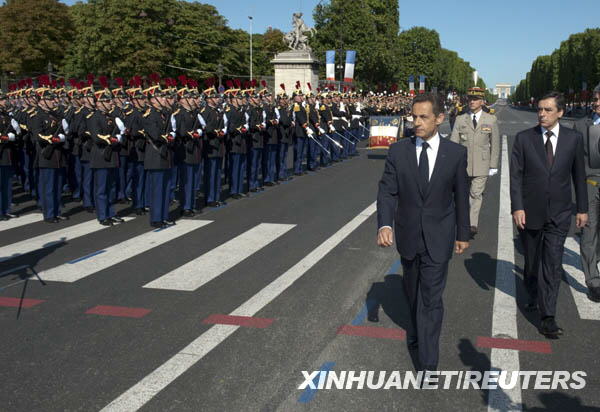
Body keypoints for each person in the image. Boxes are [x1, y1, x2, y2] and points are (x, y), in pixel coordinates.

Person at [377, 93, 470, 372]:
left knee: (431, 299)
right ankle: (417, 331)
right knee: (413, 293)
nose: (416, 122)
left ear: (439, 119)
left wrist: (462, 233)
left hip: (439, 238)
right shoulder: (398, 151)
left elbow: (461, 197)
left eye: (423, 117)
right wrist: (384, 224)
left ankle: (429, 364)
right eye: (413, 116)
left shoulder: (455, 154)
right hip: (408, 237)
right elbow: (387, 191)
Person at [510, 91, 588, 338]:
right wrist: (517, 207)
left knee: (552, 264)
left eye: (547, 110)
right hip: (530, 212)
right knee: (532, 263)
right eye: (539, 109)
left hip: (560, 212)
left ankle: (548, 316)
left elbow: (578, 176)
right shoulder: (523, 139)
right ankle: (531, 289)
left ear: (560, 113)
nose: (541, 114)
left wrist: (582, 209)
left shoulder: (574, 139)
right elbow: (516, 177)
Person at [450, 87, 500, 237]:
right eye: (470, 98)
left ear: (482, 101)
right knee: (462, 195)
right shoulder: (460, 119)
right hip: (463, 164)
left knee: (476, 194)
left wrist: (493, 165)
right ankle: (463, 220)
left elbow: (495, 143)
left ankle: (471, 224)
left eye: (475, 99)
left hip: (482, 164)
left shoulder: (491, 119)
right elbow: (453, 143)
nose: (472, 101)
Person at [574, 83, 600, 303]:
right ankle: (593, 280)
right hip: (590, 183)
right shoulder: (581, 125)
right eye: (596, 98)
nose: (597, 102)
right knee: (589, 231)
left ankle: (594, 259)